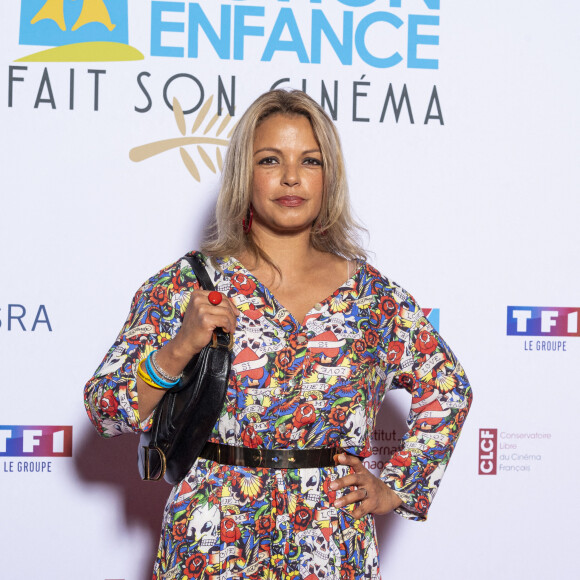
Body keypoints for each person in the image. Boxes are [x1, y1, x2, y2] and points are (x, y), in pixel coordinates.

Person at [84, 89, 472, 579]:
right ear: (245, 174)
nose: (291, 177)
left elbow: (449, 387)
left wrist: (398, 486)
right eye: (271, 159)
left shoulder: (374, 299)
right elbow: (104, 408)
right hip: (213, 538)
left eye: (309, 160)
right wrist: (180, 347)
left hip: (331, 541)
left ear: (329, 177)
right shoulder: (189, 284)